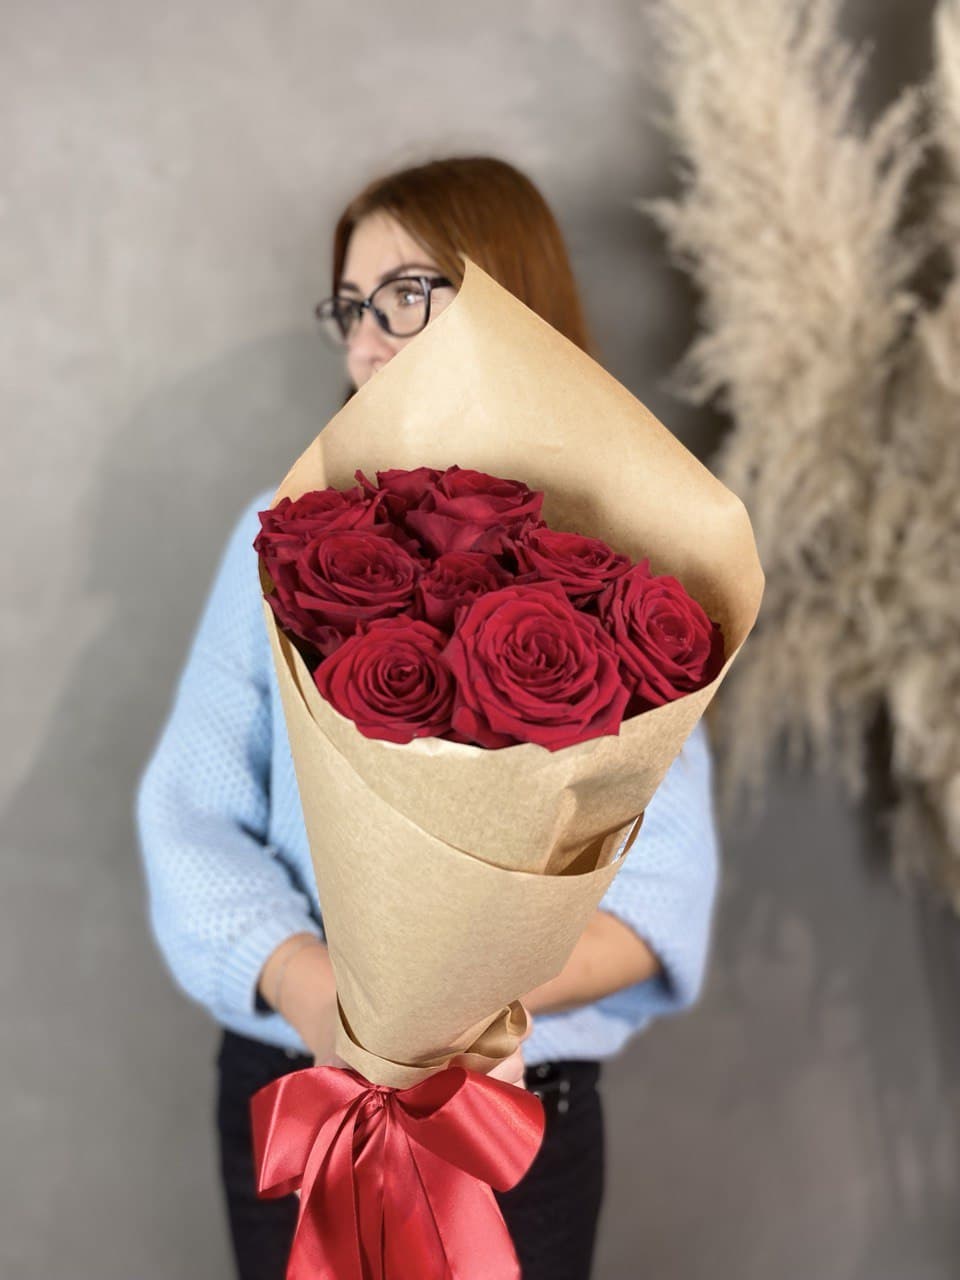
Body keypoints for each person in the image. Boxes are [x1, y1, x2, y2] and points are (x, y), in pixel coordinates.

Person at [135, 154, 720, 1280]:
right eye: (351, 307)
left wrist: (437, 1013)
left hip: (510, 1114)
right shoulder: (280, 537)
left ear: (512, 301)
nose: (367, 341)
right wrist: (325, 999)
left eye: (406, 294)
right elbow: (191, 817)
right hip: (299, 1082)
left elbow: (658, 893)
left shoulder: (620, 565)